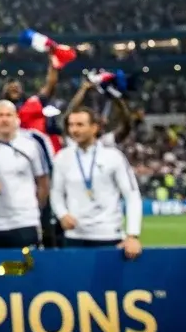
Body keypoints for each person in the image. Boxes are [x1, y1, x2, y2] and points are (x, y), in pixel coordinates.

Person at [50, 107, 143, 257]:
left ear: (94, 128)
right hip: (74, 236)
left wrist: (132, 235)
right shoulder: (62, 157)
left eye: (80, 125)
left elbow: (132, 196)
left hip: (108, 235)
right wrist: (62, 214)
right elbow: (56, 192)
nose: (74, 130)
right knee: (75, 281)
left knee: (107, 281)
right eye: (71, 125)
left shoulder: (114, 157)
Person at [0, 100, 49, 248]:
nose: (4, 119)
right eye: (0, 115)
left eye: (9, 115)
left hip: (25, 220)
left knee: (27, 269)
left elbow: (43, 182)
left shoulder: (31, 145)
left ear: (16, 118)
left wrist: (35, 209)